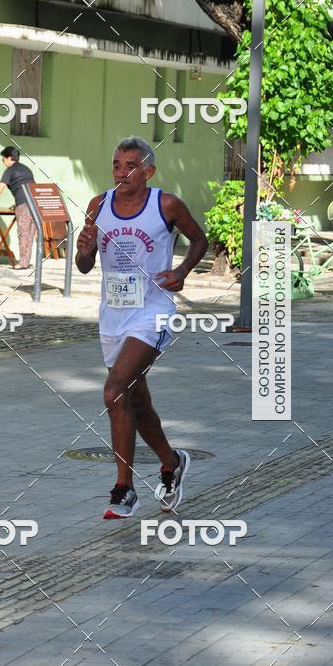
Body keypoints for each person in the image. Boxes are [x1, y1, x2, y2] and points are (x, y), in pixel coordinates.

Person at [75, 136, 208, 519]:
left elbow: (199, 239)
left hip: (154, 310)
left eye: (130, 166)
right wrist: (85, 248)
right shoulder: (98, 205)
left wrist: (182, 271)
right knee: (135, 400)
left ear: (148, 170)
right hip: (113, 314)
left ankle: (124, 489)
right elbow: (85, 264)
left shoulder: (165, 204)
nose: (121, 173)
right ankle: (171, 462)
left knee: (114, 391)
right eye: (116, 164)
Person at [0, 146, 36, 270]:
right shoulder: (26, 169)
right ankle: (26, 261)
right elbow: (27, 187)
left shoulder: (10, 170)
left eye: (3, 159)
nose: (3, 162)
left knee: (23, 233)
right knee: (30, 233)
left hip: (24, 205)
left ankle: (23, 263)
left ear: (9, 158)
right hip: (34, 203)